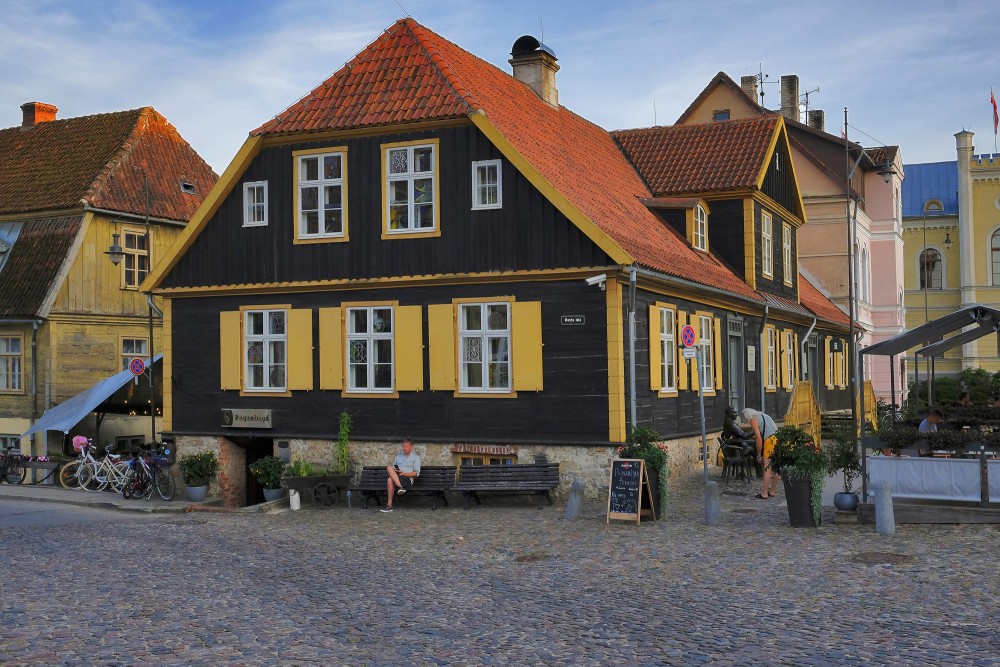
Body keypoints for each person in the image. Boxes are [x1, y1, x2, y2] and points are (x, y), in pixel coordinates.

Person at [742, 408, 778, 499]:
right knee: (776, 467)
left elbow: (758, 439)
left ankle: (764, 493)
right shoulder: (765, 416)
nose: (747, 421)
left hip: (769, 441)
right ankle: (772, 491)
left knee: (767, 467)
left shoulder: (754, 420)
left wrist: (758, 455)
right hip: (778, 439)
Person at [380, 439, 421, 513]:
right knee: (389, 472)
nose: (404, 448)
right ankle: (389, 505)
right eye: (403, 446)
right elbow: (393, 468)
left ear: (411, 447)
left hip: (407, 479)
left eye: (406, 446)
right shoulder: (398, 457)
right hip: (398, 476)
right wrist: (396, 471)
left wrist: (404, 474)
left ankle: (399, 489)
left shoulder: (416, 458)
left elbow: (416, 474)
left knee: (390, 478)